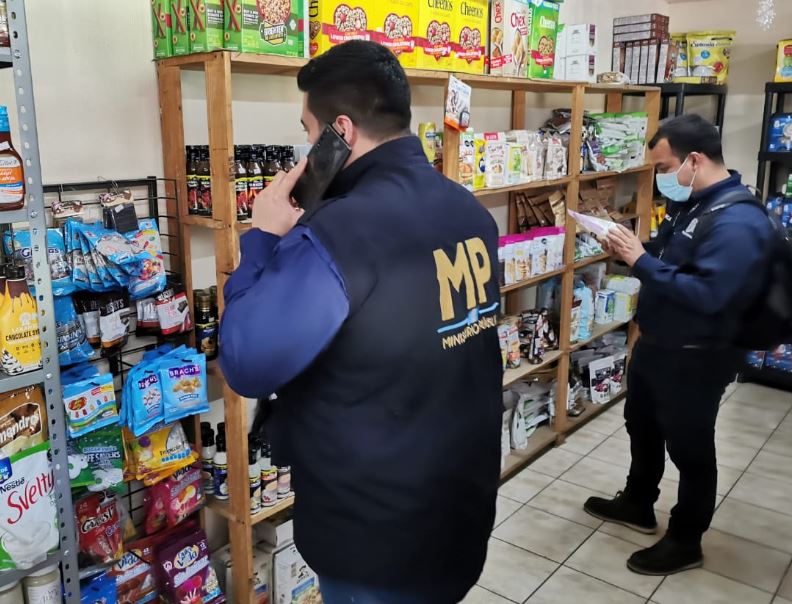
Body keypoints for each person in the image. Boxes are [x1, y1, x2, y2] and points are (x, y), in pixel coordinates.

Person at [219, 40, 502, 604]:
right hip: (458, 509)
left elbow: (247, 362)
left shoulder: (340, 232)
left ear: (340, 131)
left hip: (375, 538)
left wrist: (263, 239)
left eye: (309, 131)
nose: (307, 148)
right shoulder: (467, 208)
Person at [583, 114, 773, 575]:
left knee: (690, 447)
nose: (661, 178)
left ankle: (686, 539)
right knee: (641, 425)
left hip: (697, 356)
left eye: (664, 168)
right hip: (658, 343)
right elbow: (668, 259)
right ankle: (637, 502)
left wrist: (641, 261)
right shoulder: (692, 204)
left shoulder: (738, 220)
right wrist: (628, 250)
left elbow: (710, 296)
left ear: (695, 160)